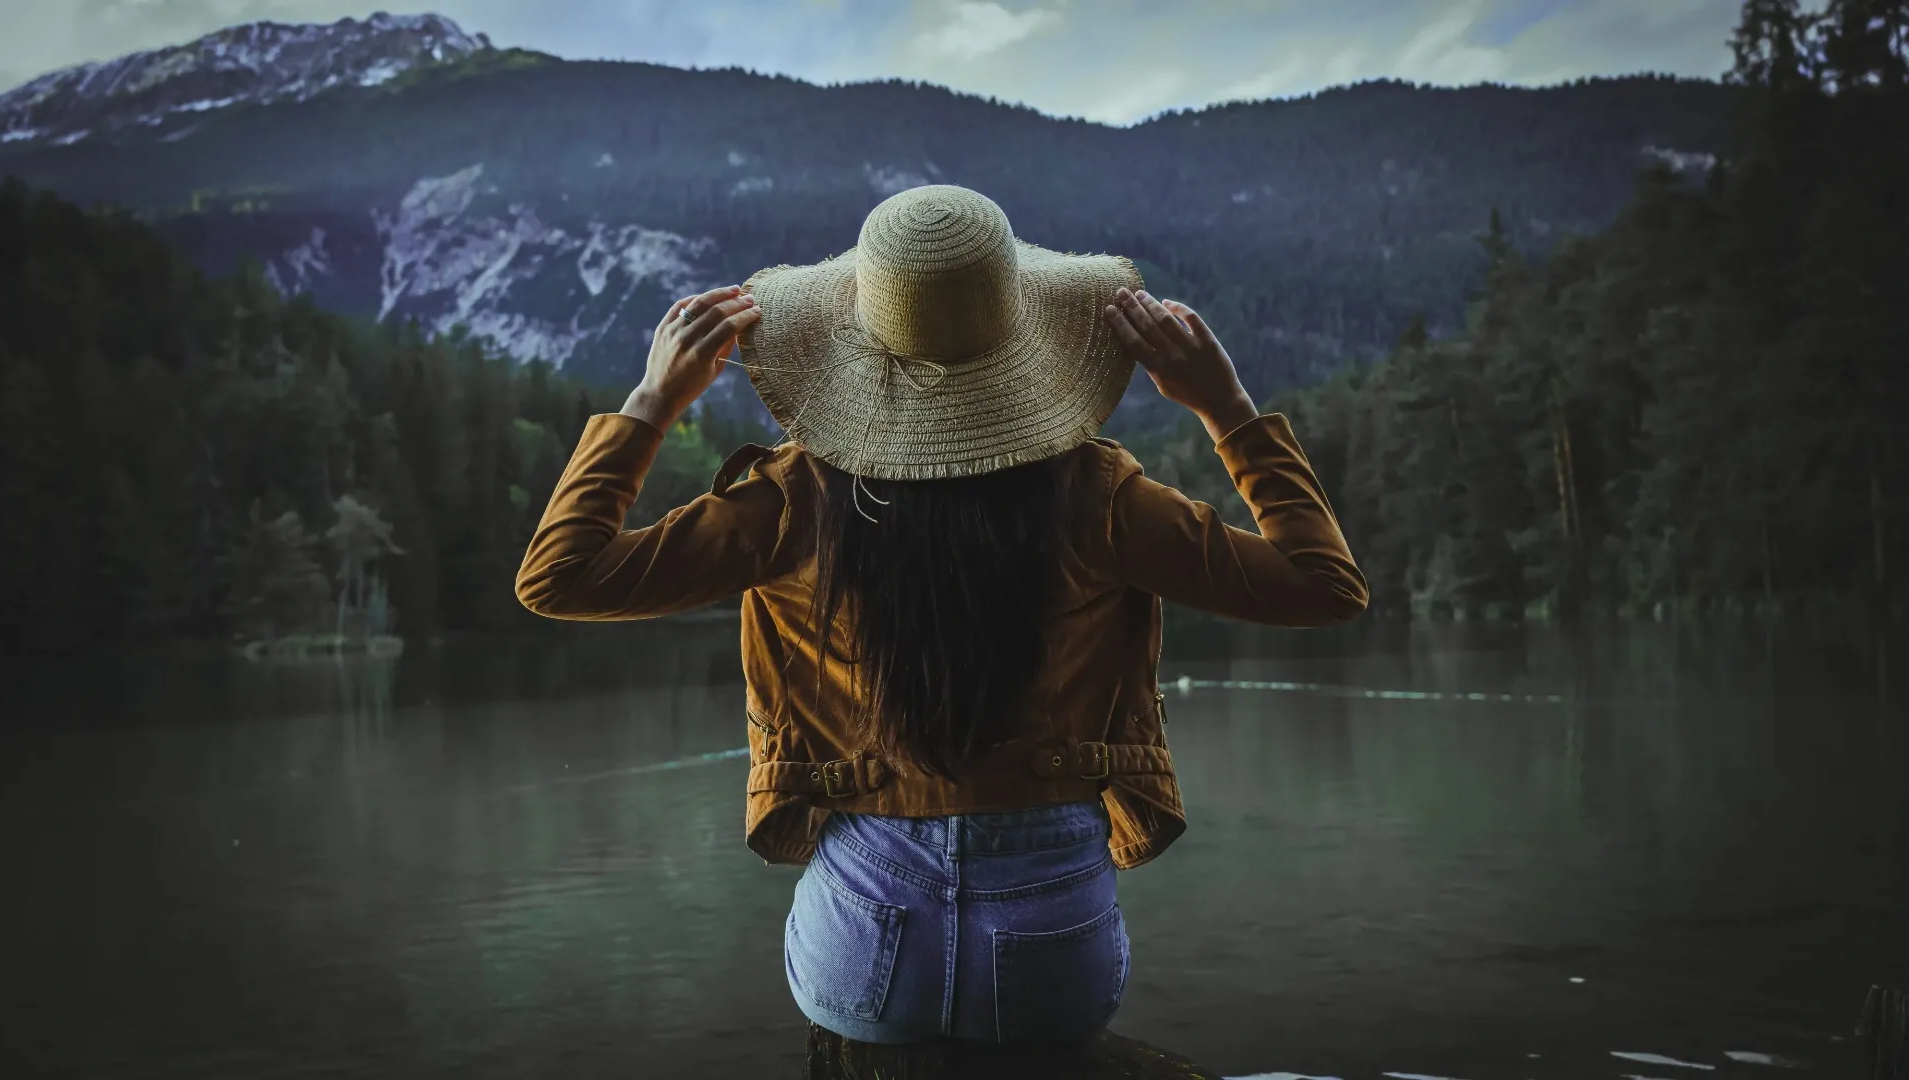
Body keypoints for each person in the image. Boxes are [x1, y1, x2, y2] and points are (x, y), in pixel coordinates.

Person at [514, 184, 1367, 1047]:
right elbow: (1323, 584)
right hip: (1056, 971)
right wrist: (1226, 406)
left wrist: (653, 402)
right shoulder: (1098, 496)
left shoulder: (788, 502)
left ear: (857, 334)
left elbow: (560, 576)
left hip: (865, 967)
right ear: (1020, 332)